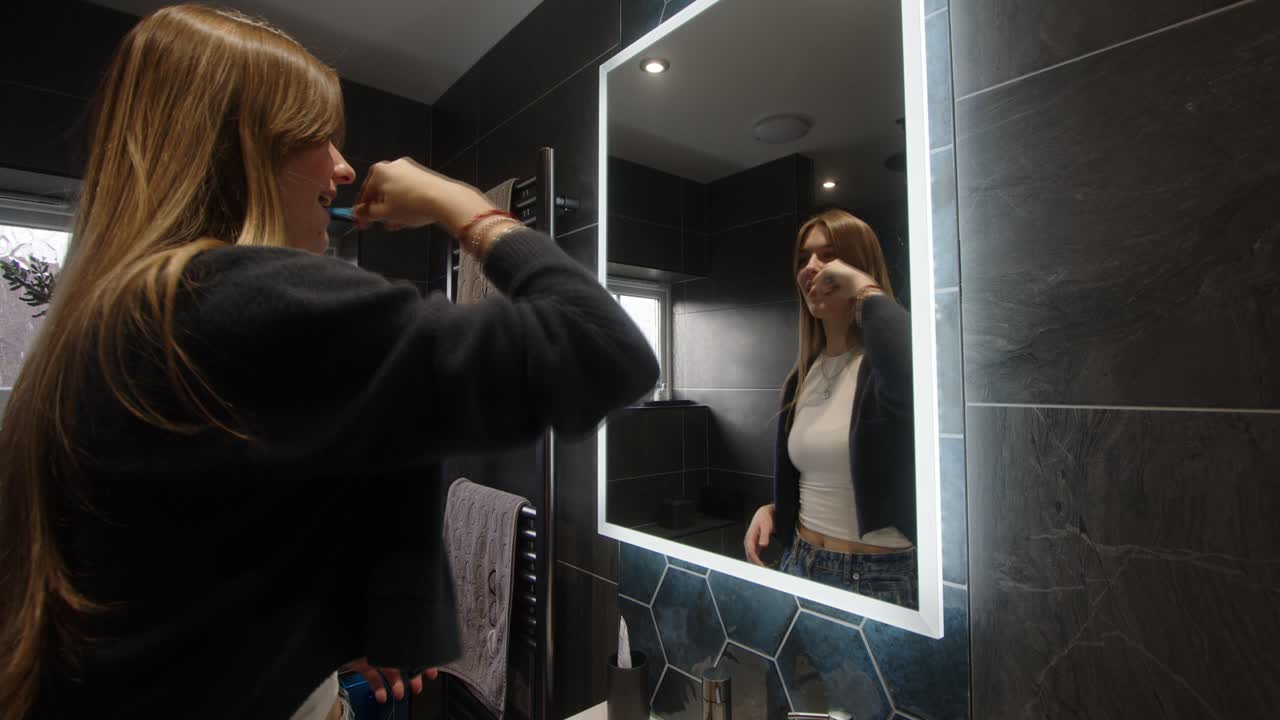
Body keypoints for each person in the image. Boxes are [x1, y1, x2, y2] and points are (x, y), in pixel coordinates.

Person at [0, 6, 658, 720]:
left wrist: (314, 626)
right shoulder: (238, 300)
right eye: (319, 137)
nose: (344, 169)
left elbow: (209, 559)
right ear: (244, 144)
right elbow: (604, 351)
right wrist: (462, 206)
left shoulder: (125, 311)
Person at [742, 209, 917, 608]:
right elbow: (824, 478)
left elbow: (913, 386)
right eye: (804, 259)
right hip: (800, 562)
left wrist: (865, 291)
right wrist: (775, 510)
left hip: (875, 578)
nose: (812, 267)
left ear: (860, 267)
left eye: (829, 256)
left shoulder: (883, 365)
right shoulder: (804, 375)